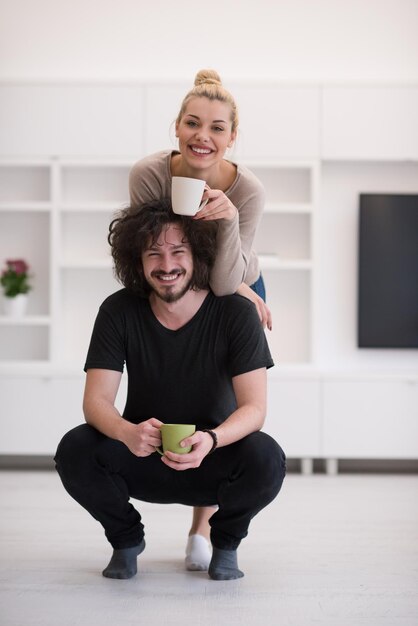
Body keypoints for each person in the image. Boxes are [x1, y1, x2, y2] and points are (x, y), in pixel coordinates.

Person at [54, 200, 286, 581]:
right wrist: (127, 432)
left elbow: (255, 409)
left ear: (199, 255)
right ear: (137, 261)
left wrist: (212, 439)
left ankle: (224, 543)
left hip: (212, 457)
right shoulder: (118, 311)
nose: (166, 265)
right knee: (75, 449)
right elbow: (95, 402)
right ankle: (126, 539)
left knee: (267, 458)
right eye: (153, 254)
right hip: (142, 455)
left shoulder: (235, 313)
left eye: (178, 251)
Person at [129, 68, 272, 570]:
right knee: (180, 391)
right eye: (192, 123)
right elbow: (142, 249)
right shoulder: (150, 174)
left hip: (233, 280)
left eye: (216, 128)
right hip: (178, 277)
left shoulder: (247, 189)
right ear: (177, 126)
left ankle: (202, 525)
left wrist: (228, 221)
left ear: (232, 138)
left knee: (220, 402)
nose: (202, 136)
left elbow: (228, 275)